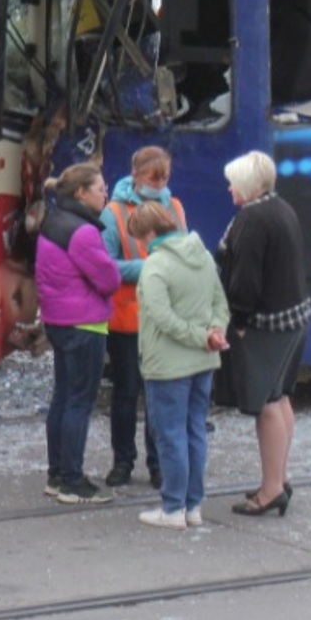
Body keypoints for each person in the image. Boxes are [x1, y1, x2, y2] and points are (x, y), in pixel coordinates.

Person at [216, 151, 311, 518]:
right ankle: (279, 479)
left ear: (246, 186)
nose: (228, 188)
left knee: (266, 404)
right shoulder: (280, 207)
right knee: (282, 396)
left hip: (266, 325)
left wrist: (237, 320)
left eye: (232, 182)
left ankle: (271, 490)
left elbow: (245, 279)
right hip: (294, 317)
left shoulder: (252, 219)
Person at [127, 202, 227, 529]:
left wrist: (199, 336)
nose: (140, 246)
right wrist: (213, 333)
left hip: (167, 365)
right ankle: (193, 506)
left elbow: (162, 317)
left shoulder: (156, 266)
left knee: (170, 435)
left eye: (140, 239)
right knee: (195, 430)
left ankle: (172, 508)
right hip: (204, 362)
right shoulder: (203, 255)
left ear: (151, 234)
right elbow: (219, 304)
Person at [98, 146, 186, 490]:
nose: (161, 183)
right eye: (154, 177)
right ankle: (123, 461)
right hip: (127, 320)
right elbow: (107, 266)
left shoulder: (174, 207)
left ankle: (157, 463)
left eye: (165, 177)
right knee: (126, 393)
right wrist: (150, 268)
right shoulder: (114, 213)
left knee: (158, 395)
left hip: (162, 319)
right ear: (136, 176)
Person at [37, 163, 123, 504]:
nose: (106, 193)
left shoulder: (53, 221)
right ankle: (72, 480)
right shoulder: (84, 232)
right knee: (79, 402)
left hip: (58, 320)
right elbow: (109, 280)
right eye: (101, 188)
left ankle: (56, 474)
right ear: (81, 193)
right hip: (84, 324)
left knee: (62, 397)